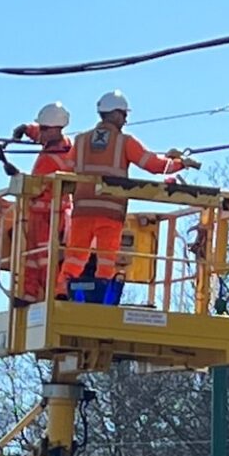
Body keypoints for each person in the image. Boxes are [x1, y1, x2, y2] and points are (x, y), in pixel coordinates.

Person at [58, 91, 199, 301]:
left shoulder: (80, 141)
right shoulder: (124, 141)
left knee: (75, 256)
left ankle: (61, 291)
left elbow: (66, 172)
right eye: (123, 114)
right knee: (106, 260)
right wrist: (181, 163)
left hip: (82, 211)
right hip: (110, 211)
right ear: (114, 114)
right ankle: (100, 296)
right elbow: (152, 165)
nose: (126, 119)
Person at [8, 101, 76, 303]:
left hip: (47, 215)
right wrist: (26, 129)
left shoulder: (51, 159)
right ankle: (30, 295)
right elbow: (40, 134)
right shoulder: (62, 144)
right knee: (31, 257)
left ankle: (56, 293)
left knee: (45, 259)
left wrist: (16, 175)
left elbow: (35, 187)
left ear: (56, 129)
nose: (42, 133)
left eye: (45, 129)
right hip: (49, 213)